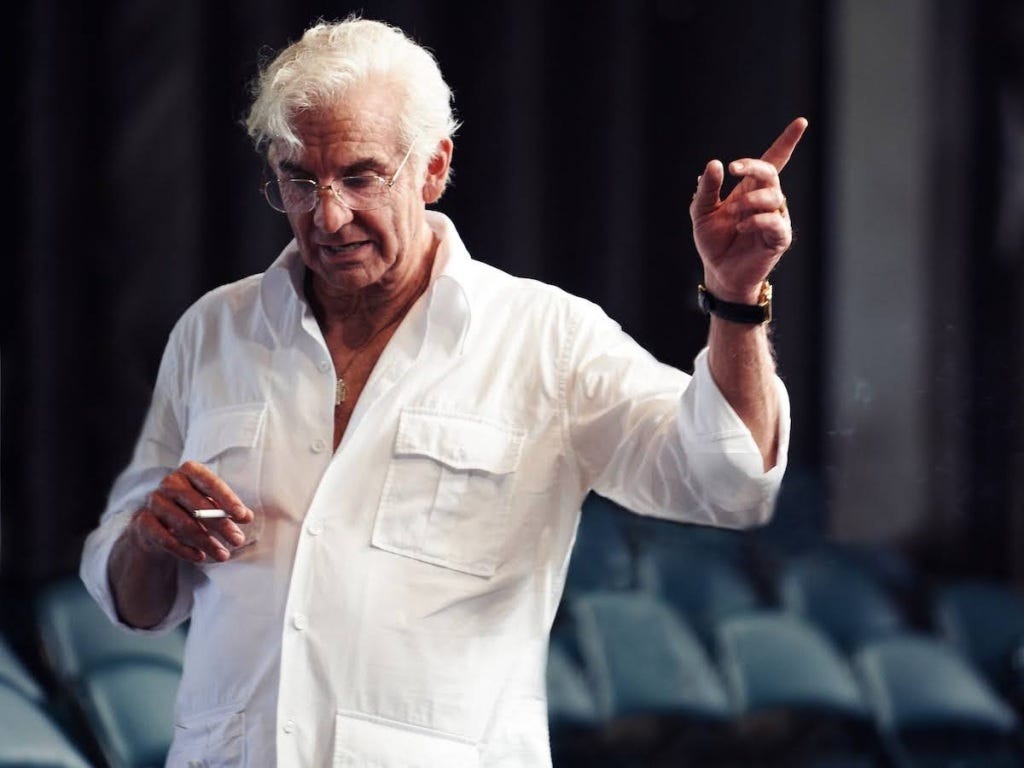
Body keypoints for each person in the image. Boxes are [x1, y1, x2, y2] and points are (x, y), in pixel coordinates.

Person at [80, 14, 806, 767]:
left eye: (360, 177)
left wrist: (733, 296)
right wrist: (145, 536)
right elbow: (134, 605)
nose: (327, 217)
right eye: (299, 178)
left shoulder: (545, 339)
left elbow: (726, 483)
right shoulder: (212, 332)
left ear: (432, 167)